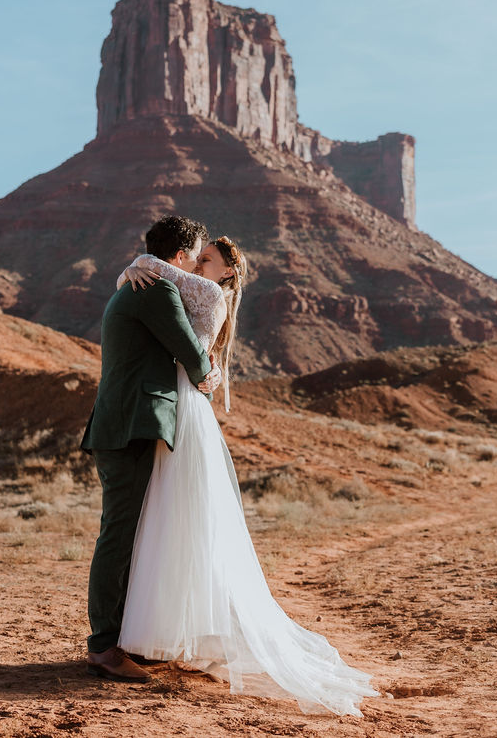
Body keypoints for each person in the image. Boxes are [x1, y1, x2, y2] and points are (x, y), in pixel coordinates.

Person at [113, 235, 380, 717]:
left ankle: (169, 633)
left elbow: (179, 321)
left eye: (206, 260)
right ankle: (162, 632)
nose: (196, 263)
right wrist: (136, 265)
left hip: (184, 403)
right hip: (179, 399)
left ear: (225, 273)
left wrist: (138, 260)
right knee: (170, 515)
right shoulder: (195, 288)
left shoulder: (209, 293)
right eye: (196, 256)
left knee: (183, 514)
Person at [81, 215, 222, 683]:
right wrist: (209, 376)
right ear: (179, 257)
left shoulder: (140, 282)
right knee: (119, 534)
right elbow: (186, 346)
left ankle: (122, 638)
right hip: (131, 425)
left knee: (130, 533)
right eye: (197, 257)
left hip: (128, 423)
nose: (199, 267)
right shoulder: (157, 289)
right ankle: (103, 647)